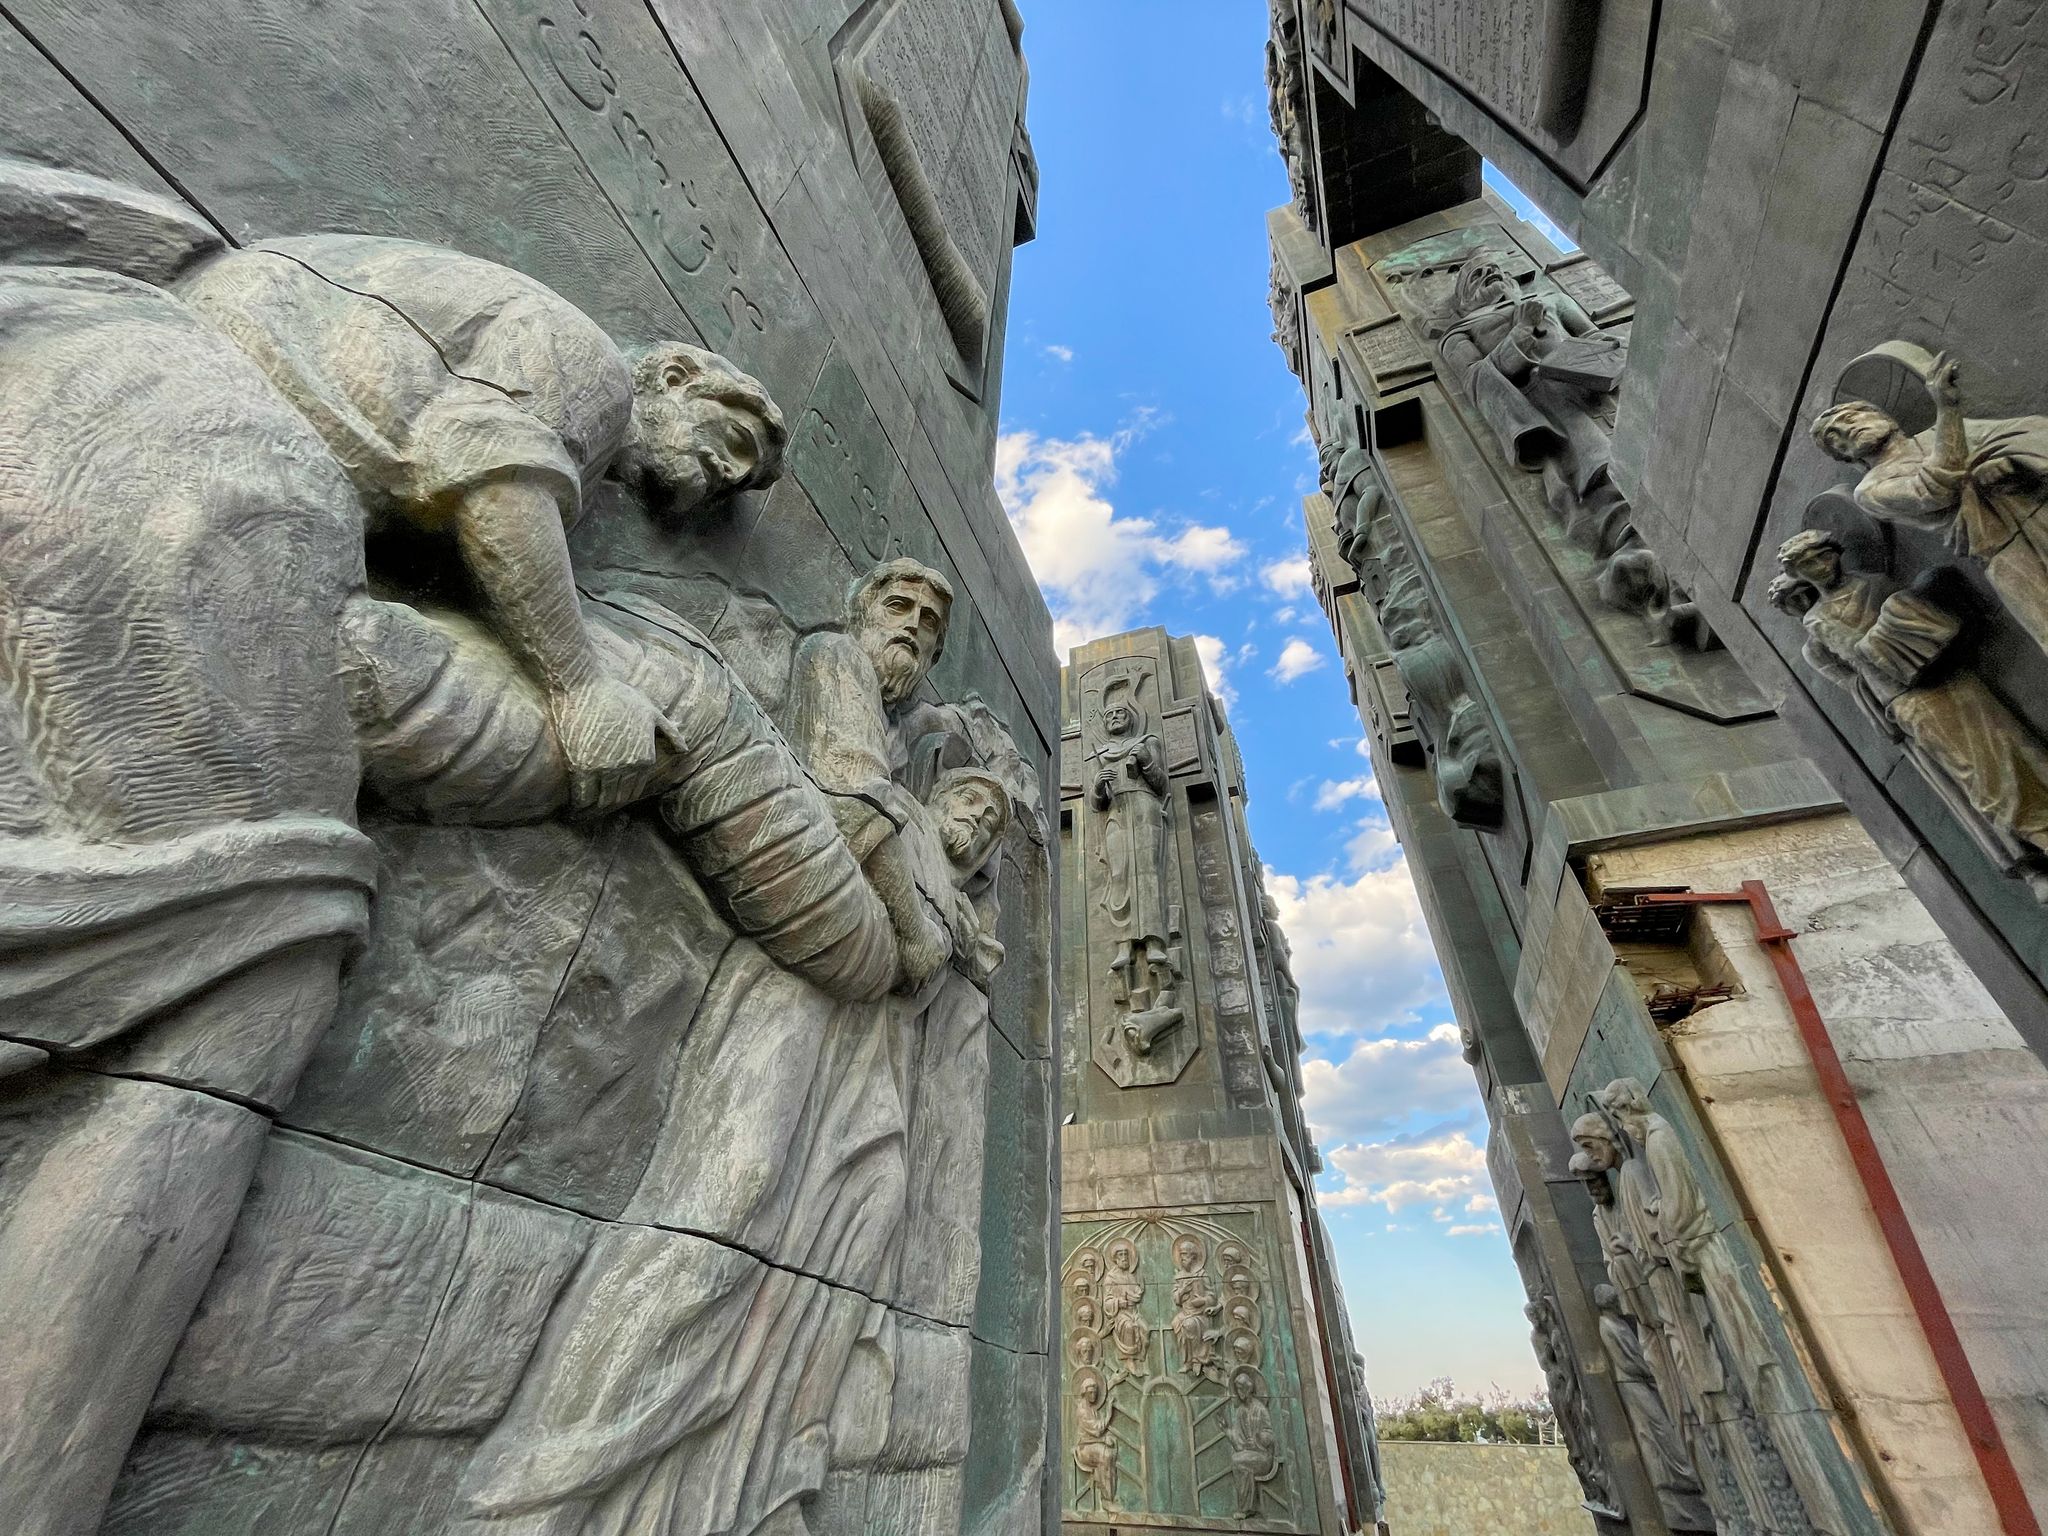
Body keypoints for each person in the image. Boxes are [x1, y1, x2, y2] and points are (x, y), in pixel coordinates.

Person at [175, 233, 785, 811]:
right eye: (736, 441)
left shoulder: (582, 441)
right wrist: (581, 689)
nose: (729, 475)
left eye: (742, 481)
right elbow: (502, 502)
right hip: (238, 400)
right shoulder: (593, 368)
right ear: (677, 379)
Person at [1813, 353, 2048, 660]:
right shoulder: (1871, 490)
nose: (1847, 430)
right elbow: (1937, 487)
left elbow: (2030, 430)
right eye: (1836, 438)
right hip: (2006, 551)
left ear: (1881, 416)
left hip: (2037, 508)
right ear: (1845, 456)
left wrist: (2009, 462)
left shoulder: (1935, 435)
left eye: (1851, 418)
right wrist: (1947, 408)